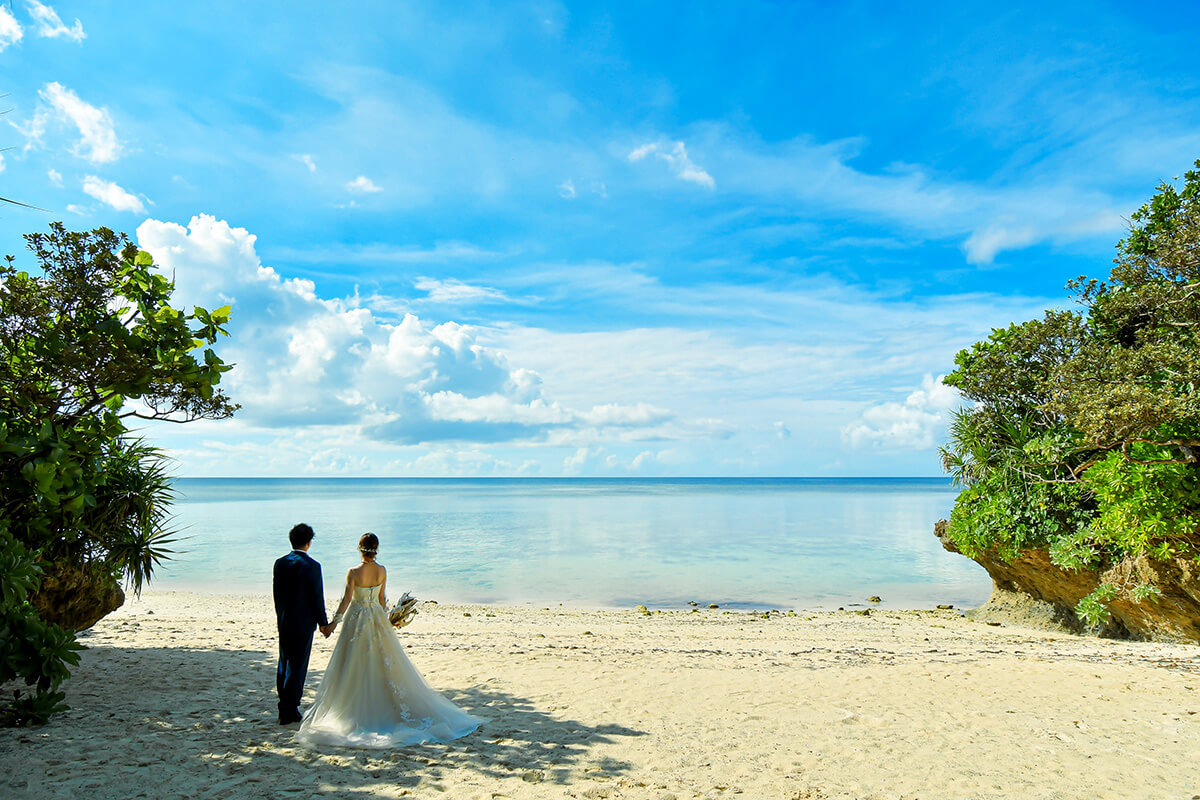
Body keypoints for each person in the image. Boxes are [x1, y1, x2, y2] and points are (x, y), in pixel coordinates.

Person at [296, 532, 483, 748]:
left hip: (357, 620)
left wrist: (332, 625)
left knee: (354, 663)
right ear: (376, 549)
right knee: (382, 661)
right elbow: (382, 599)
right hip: (375, 618)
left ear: (359, 548)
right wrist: (386, 621)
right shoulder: (382, 570)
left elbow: (347, 600)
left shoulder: (353, 572)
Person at [272, 523, 334, 725]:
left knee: (284, 663)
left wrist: (280, 615)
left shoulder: (280, 563)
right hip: (304, 623)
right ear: (309, 543)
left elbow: (277, 594)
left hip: (284, 619)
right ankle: (291, 708)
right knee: (298, 665)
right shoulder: (313, 566)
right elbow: (317, 597)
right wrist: (323, 624)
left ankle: (284, 706)